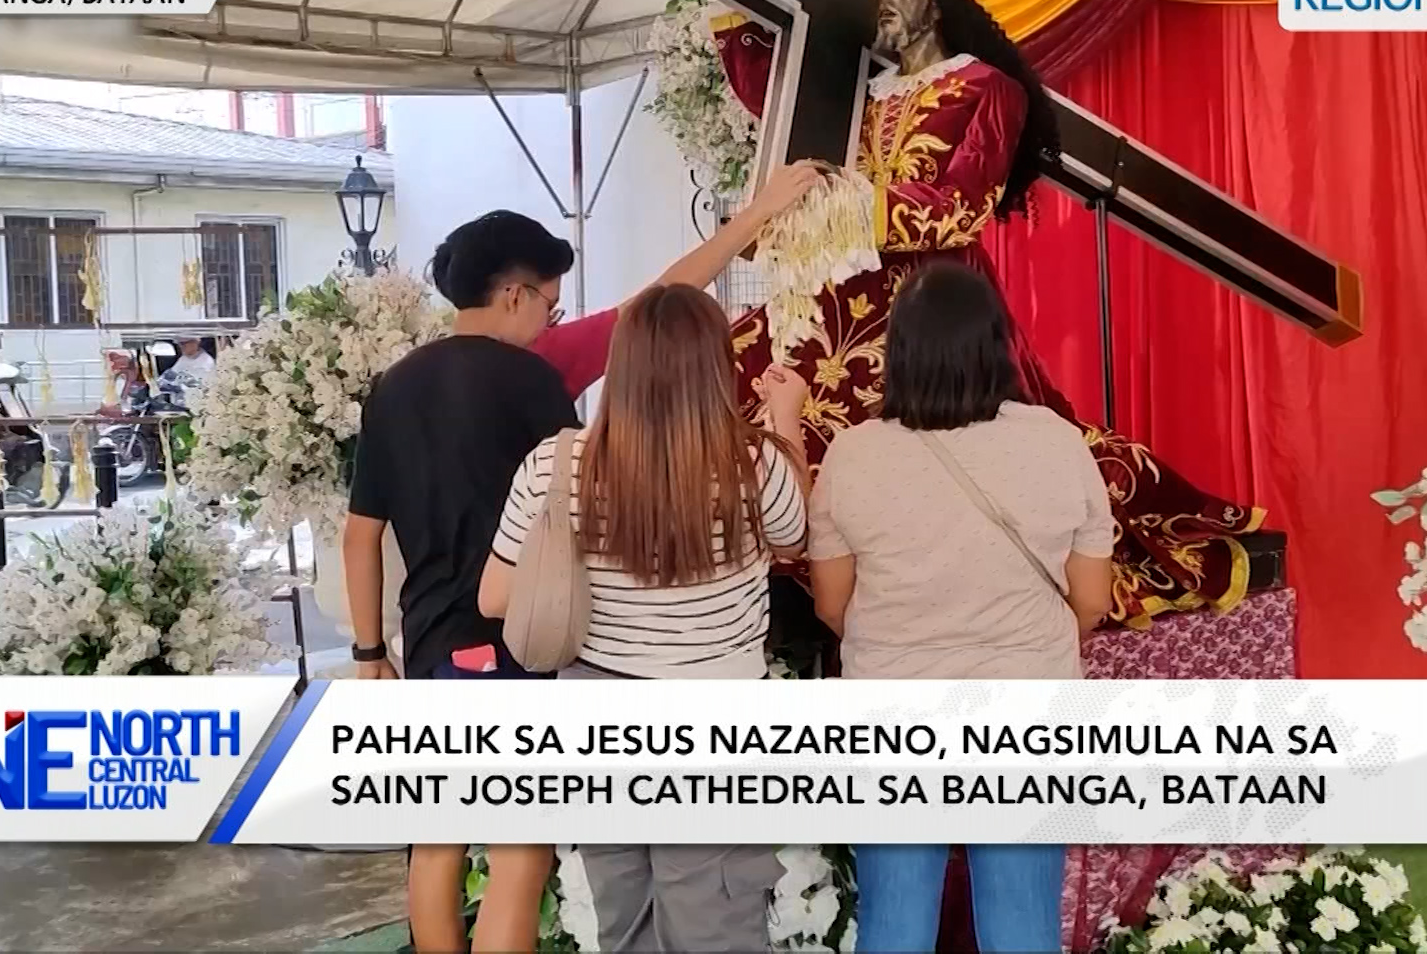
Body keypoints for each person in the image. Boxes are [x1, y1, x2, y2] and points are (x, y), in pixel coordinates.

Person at [715, 0, 1265, 630]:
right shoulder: (866, 93)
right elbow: (782, 105)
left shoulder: (988, 87)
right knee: (724, 364)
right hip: (848, 292)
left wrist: (854, 203)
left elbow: (962, 206)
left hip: (936, 301)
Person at [339, 164, 818, 954]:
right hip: (533, 640)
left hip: (431, 643)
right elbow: (658, 304)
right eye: (550, 305)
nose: (553, 321)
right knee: (520, 852)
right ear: (515, 295)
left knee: (438, 839)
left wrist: (368, 653)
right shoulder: (542, 371)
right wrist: (758, 213)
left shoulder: (394, 386)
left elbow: (360, 534)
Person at [479, 283, 810, 953]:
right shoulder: (753, 463)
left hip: (598, 719)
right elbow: (796, 538)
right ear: (716, 367)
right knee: (717, 925)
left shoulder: (556, 464)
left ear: (622, 364)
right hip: (718, 723)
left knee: (624, 923)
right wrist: (786, 418)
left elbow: (494, 597)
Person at [806, 262, 1114, 953]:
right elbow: (1092, 601)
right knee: (1020, 927)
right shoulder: (1056, 442)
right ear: (997, 344)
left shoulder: (853, 455)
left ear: (897, 351)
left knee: (895, 924)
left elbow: (832, 605)